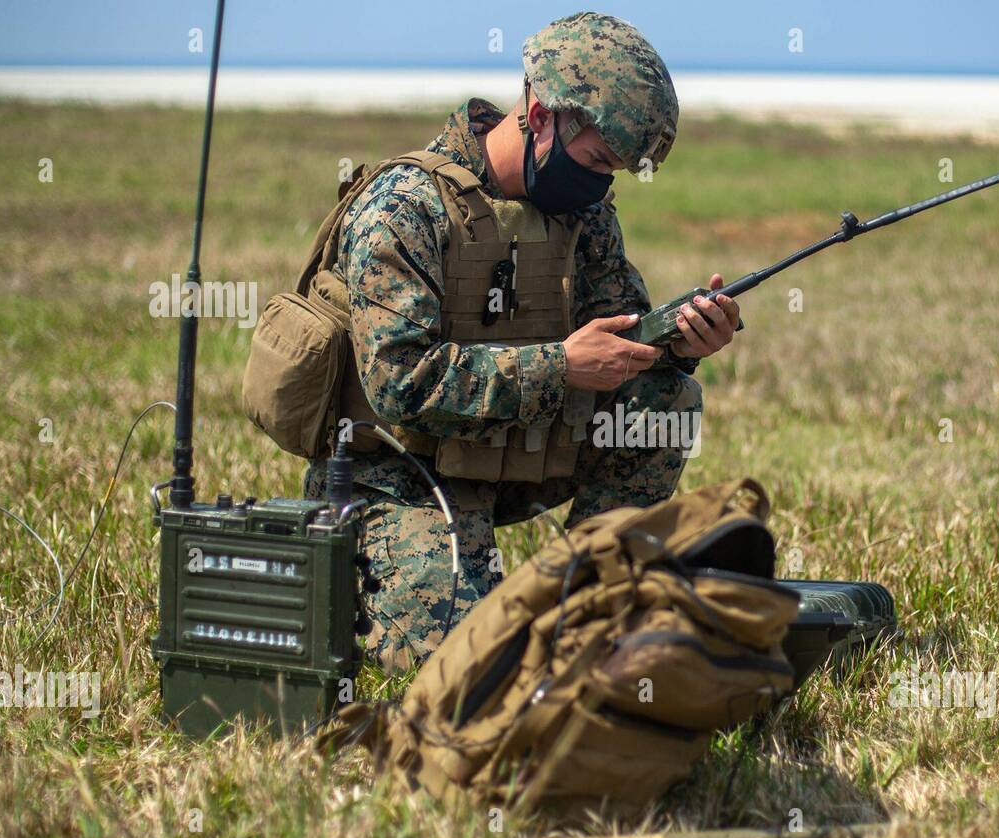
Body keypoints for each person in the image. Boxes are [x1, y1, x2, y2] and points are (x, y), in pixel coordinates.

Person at [304, 12, 742, 671]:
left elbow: (621, 329)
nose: (601, 184)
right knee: (490, 668)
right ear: (539, 116)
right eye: (597, 161)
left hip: (505, 462)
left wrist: (680, 341)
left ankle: (589, 592)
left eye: (615, 171)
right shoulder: (405, 206)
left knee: (663, 399)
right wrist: (561, 367)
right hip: (395, 475)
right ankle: (390, 575)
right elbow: (399, 384)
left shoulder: (580, 211)